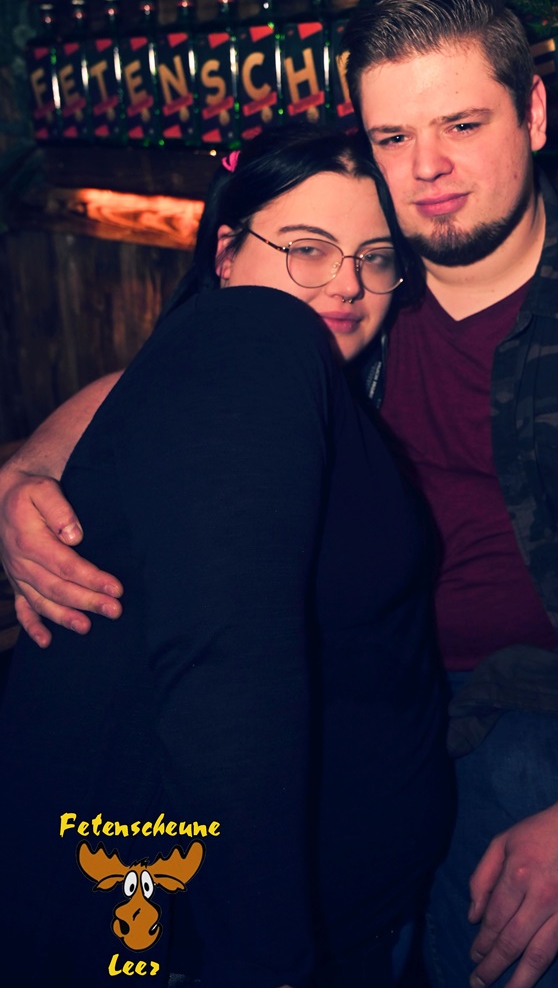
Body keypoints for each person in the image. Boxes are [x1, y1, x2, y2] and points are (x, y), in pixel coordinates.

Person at [0, 0, 558, 988]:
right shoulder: (352, 272)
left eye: (462, 124)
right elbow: (173, 383)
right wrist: (26, 471)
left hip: (551, 700)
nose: (428, 168)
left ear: (534, 114)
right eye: (393, 136)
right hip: (338, 681)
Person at [0, 125, 451, 988]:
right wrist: (263, 955)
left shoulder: (309, 384)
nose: (347, 283)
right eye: (307, 248)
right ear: (226, 255)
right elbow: (226, 671)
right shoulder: (255, 340)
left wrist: (23, 469)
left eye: (375, 257)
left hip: (360, 912)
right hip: (260, 935)